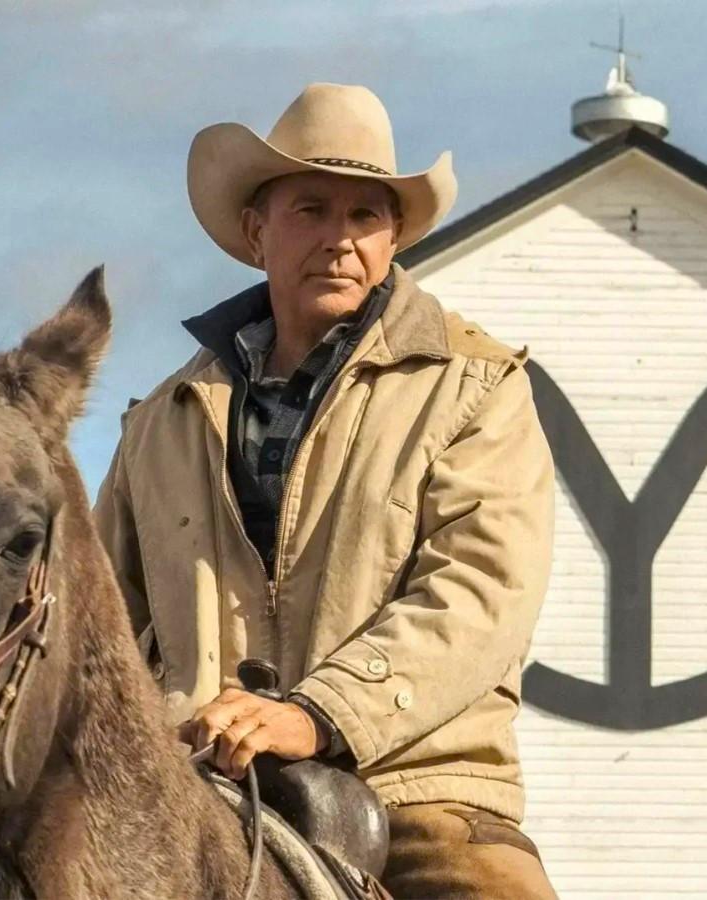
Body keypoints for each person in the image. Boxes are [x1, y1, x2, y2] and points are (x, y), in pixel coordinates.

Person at [93, 83, 558, 898]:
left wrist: (316, 715)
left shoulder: (478, 389)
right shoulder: (158, 425)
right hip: (189, 786)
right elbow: (101, 626)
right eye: (311, 209)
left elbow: (482, 593)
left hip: (419, 794)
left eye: (364, 217)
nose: (338, 239)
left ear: (392, 240)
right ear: (255, 230)